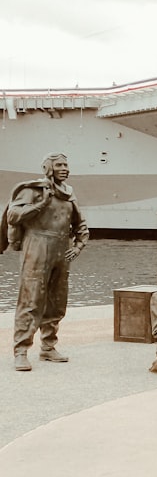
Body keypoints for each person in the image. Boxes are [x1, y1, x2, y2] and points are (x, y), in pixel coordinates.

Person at [1, 152, 89, 372]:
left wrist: (78, 247)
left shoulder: (69, 194)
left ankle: (48, 346)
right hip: (37, 246)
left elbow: (81, 225)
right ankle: (21, 351)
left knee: (57, 301)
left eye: (66, 165)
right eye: (59, 164)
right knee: (30, 300)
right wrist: (40, 205)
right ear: (47, 168)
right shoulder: (33, 190)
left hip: (61, 249)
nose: (64, 168)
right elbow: (13, 215)